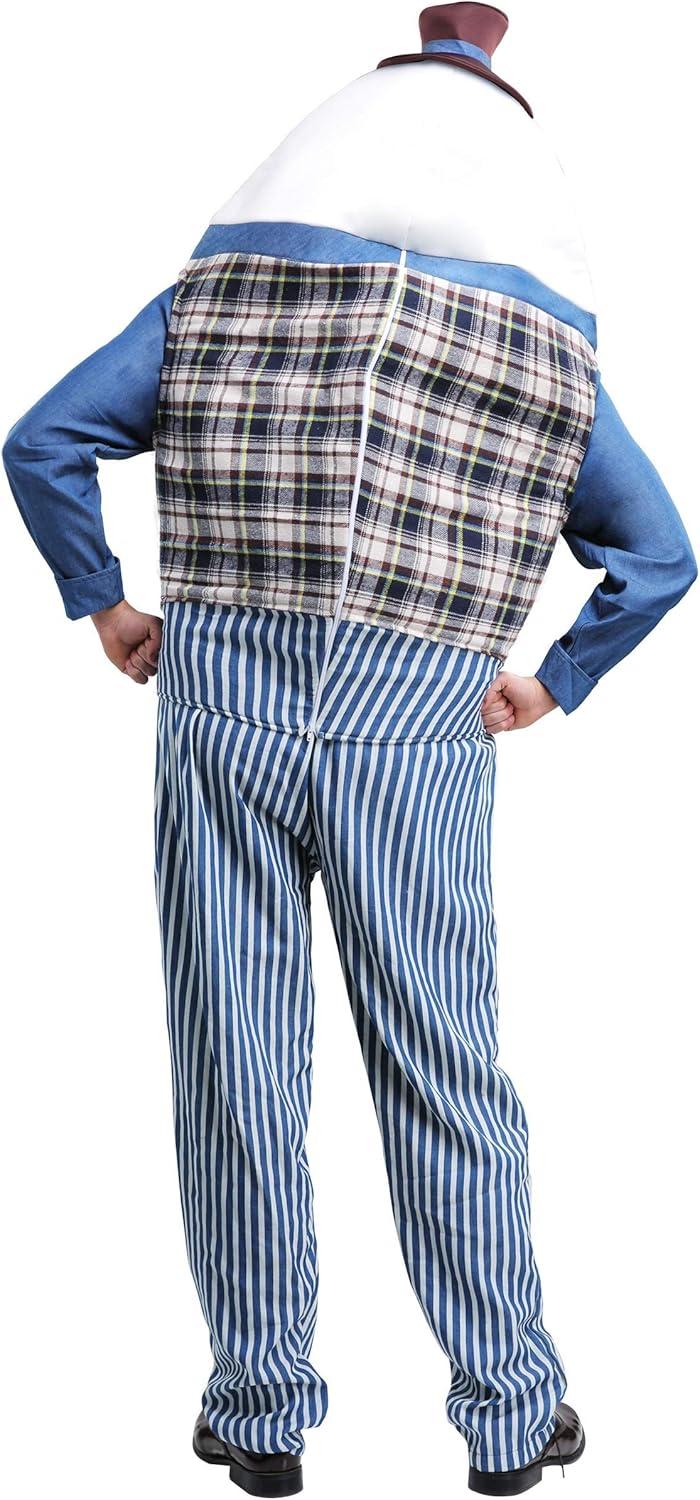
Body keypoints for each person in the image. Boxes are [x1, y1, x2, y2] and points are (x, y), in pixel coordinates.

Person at [3, 6, 696, 1496]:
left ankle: (260, 1416)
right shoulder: (549, 349)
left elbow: (43, 440)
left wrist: (105, 603)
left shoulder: (221, 287)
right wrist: (556, 681)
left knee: (235, 1062)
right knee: (444, 1065)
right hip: (421, 726)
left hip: (222, 699)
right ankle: (510, 1414)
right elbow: (660, 557)